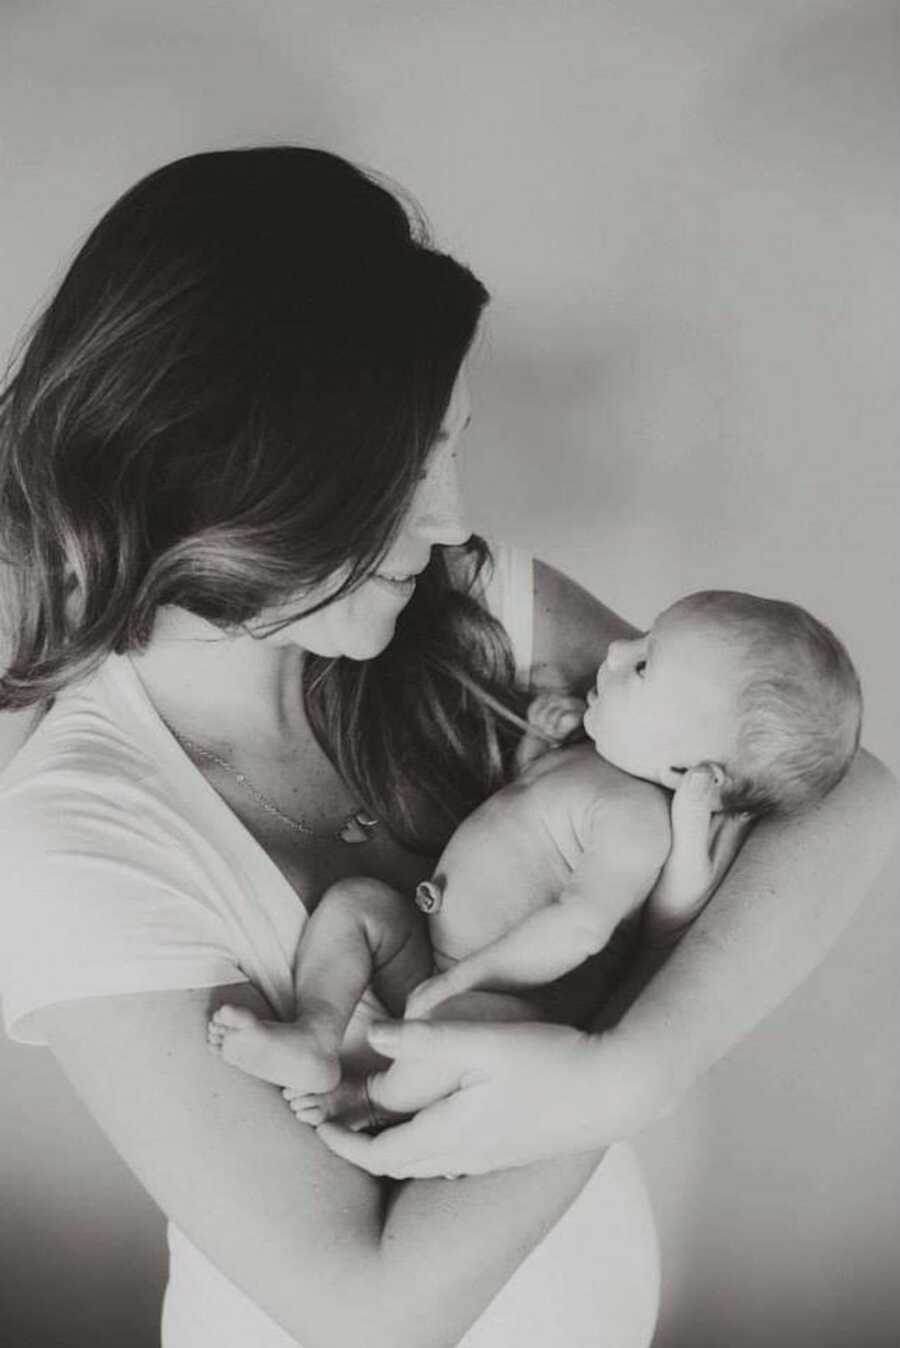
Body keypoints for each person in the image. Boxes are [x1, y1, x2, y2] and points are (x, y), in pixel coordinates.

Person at [0, 147, 895, 1348]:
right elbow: (374, 1307)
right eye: (403, 473)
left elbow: (846, 795)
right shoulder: (77, 840)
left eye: (450, 449)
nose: (454, 517)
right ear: (239, 478)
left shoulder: (474, 612)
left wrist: (640, 1066)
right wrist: (636, 998)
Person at [205, 588, 861, 1125]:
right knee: (357, 908)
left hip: (506, 998)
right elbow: (519, 811)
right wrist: (535, 752)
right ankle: (315, 1034)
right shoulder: (594, 761)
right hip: (438, 952)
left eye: (643, 665)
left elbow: (581, 925)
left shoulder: (638, 824)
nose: (616, 649)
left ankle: (369, 1099)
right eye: (642, 638)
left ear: (694, 767)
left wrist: (468, 979)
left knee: (449, 1040)